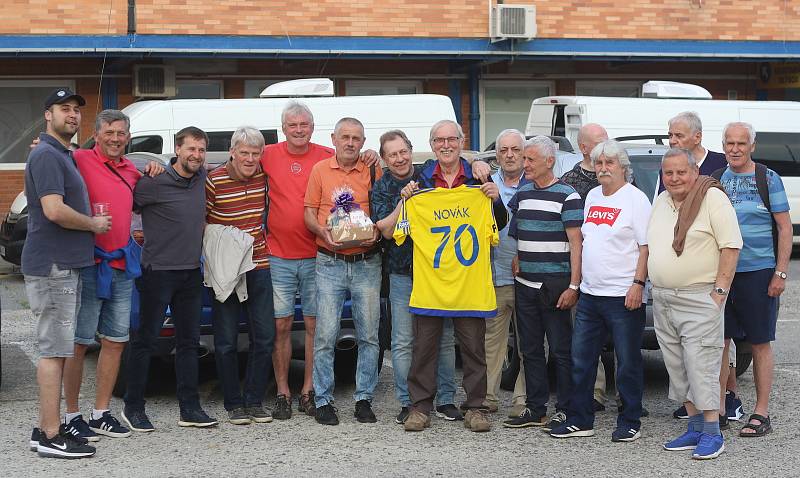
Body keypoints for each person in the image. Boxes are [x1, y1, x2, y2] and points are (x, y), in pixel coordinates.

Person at [262, 101, 378, 419]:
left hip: (337, 259)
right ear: (283, 128)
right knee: (289, 326)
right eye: (292, 125)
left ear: (313, 129)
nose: (299, 130)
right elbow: (238, 165)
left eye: (304, 125)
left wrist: (375, 232)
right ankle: (295, 394)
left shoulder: (350, 160)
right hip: (298, 255)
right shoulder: (271, 155)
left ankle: (330, 395)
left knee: (339, 331)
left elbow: (380, 199)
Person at [61, 109, 164, 443]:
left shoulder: (131, 170)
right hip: (90, 265)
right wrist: (40, 148)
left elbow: (141, 200)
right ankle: (71, 415)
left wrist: (155, 169)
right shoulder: (79, 159)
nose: (116, 139)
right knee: (78, 344)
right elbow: (51, 160)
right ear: (97, 134)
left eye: (121, 133)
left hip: (122, 267)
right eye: (109, 133)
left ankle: (100, 413)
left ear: (128, 137)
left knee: (116, 341)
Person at [400, 119, 503, 433]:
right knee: (424, 348)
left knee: (474, 349)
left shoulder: (477, 179)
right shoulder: (420, 183)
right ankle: (419, 408)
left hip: (470, 283)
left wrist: (495, 199)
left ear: (461, 142)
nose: (445, 145)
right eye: (439, 140)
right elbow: (399, 233)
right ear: (432, 146)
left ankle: (476, 408)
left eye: (451, 140)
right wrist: (405, 201)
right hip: (431, 283)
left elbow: (500, 224)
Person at [24, 88, 109, 458]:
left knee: (58, 350)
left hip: (63, 266)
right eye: (64, 109)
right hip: (53, 267)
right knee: (54, 351)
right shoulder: (46, 155)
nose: (72, 115)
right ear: (48, 115)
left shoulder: (62, 154)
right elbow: (54, 210)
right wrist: (93, 223)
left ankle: (46, 427)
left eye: (76, 110)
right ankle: (50, 435)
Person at [548, 140, 650, 442]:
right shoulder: (592, 195)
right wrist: (578, 285)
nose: (604, 169)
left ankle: (630, 420)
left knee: (628, 362)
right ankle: (581, 419)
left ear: (622, 167)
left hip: (624, 295)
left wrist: (638, 284)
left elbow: (645, 248)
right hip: (591, 295)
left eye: (610, 163)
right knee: (582, 360)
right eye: (600, 163)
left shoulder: (636, 200)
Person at [122, 127, 218, 431]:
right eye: (191, 149)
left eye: (202, 150)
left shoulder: (202, 177)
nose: (197, 156)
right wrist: (146, 170)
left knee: (188, 343)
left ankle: (189, 408)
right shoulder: (154, 182)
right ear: (177, 149)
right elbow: (127, 196)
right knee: (145, 342)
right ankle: (133, 407)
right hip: (157, 273)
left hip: (191, 272)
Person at [648, 148, 741, 460]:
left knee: (701, 365)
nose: (674, 178)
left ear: (694, 172)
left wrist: (719, 292)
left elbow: (731, 246)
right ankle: (695, 426)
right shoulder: (661, 200)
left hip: (700, 297)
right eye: (668, 173)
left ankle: (713, 433)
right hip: (663, 297)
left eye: (681, 172)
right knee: (677, 367)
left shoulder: (712, 198)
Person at [371, 129, 460, 425]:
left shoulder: (428, 175)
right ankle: (408, 402)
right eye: (392, 154)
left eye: (403, 151)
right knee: (403, 340)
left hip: (437, 270)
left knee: (445, 338)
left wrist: (482, 166)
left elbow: (458, 168)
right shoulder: (382, 187)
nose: (399, 158)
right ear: (384, 159)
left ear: (412, 150)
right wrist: (404, 201)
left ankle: (446, 399)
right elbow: (384, 229)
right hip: (402, 273)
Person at [304, 117, 382, 425]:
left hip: (366, 262)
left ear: (363, 143)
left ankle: (364, 399)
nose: (350, 142)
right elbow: (309, 213)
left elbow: (384, 209)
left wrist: (377, 232)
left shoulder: (372, 169)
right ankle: (323, 400)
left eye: (356, 138)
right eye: (345, 137)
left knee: (369, 336)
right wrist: (323, 232)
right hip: (329, 261)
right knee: (325, 335)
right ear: (333, 138)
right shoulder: (320, 170)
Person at [716, 122, 791, 438]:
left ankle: (761, 413)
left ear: (752, 146)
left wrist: (780, 273)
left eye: (741, 144)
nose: (735, 149)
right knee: (720, 342)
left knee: (760, 342)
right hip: (724, 274)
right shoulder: (720, 178)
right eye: (729, 143)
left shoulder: (768, 178)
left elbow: (785, 229)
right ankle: (717, 408)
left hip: (759, 272)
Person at [503, 136, 582, 432]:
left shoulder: (568, 196)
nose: (525, 165)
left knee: (561, 350)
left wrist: (574, 286)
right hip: (524, 283)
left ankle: (564, 409)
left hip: (555, 284)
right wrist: (519, 259)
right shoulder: (522, 194)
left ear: (549, 161)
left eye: (530, 160)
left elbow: (576, 244)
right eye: (525, 159)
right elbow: (518, 233)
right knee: (531, 350)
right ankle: (536, 409)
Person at [205, 127, 275, 425]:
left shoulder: (264, 177)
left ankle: (254, 400)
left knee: (265, 337)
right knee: (225, 341)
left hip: (259, 266)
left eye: (255, 153)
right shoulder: (213, 180)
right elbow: (202, 223)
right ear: (232, 151)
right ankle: (233, 403)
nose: (249, 159)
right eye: (244, 152)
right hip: (227, 272)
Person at [559, 123, 614, 412]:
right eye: (600, 141)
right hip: (583, 268)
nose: (606, 145)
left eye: (607, 140)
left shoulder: (620, 176)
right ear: (583, 147)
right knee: (584, 334)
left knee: (619, 337)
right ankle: (593, 392)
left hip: (617, 271)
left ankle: (628, 398)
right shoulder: (569, 181)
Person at [484, 129, 528, 417]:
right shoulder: (484, 184)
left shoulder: (537, 184)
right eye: (503, 151)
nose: (509, 155)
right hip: (494, 275)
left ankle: (522, 401)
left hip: (527, 278)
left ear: (524, 154)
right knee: (491, 343)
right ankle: (487, 398)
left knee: (530, 344)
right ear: (496, 155)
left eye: (515, 149)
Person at [656, 111, 728, 195]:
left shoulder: (721, 163)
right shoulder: (667, 169)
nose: (672, 141)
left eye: (679, 136)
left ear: (697, 137)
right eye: (670, 135)